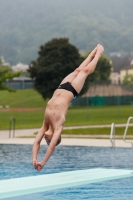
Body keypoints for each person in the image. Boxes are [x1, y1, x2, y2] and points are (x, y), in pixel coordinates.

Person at [32, 44, 104, 171]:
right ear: (57, 136)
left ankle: (92, 53)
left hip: (60, 88)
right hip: (72, 90)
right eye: (49, 140)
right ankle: (98, 54)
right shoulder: (59, 126)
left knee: (77, 70)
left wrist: (34, 158)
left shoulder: (45, 125)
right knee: (85, 71)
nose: (46, 140)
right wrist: (43, 162)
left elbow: (36, 142)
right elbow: (52, 146)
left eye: (47, 141)